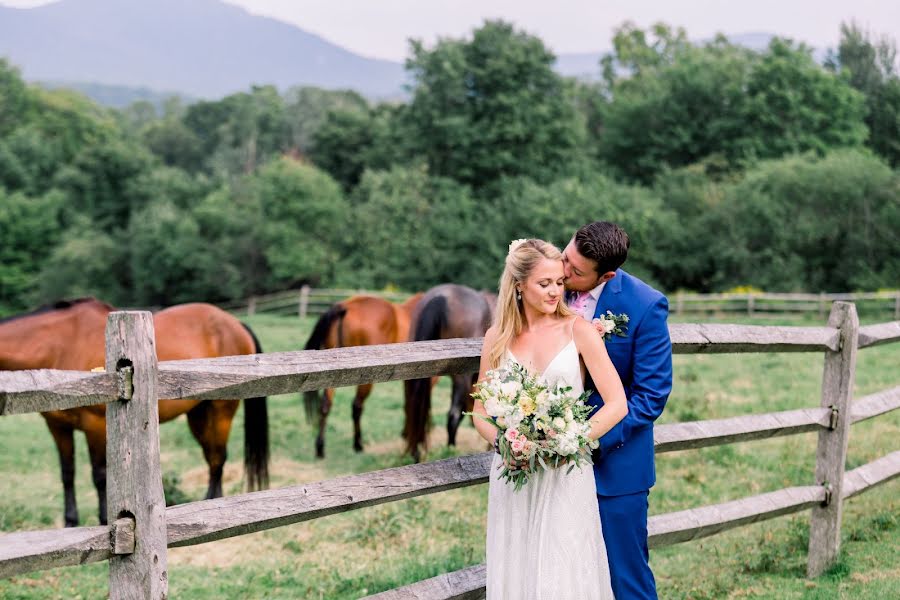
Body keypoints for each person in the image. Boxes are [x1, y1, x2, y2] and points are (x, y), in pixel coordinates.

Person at [471, 238, 628, 599]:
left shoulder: (579, 330)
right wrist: (504, 443)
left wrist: (573, 439)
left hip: (565, 472)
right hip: (514, 473)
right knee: (516, 565)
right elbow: (480, 413)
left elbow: (617, 402)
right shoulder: (496, 338)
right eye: (545, 284)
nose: (556, 290)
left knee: (565, 567)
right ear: (519, 286)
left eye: (559, 281)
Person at [563, 221, 673, 600]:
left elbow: (651, 394)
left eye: (575, 271)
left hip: (616, 467)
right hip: (550, 467)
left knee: (625, 578)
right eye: (565, 258)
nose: (563, 272)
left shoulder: (645, 306)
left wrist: (590, 440)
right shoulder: (543, 290)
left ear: (606, 275)